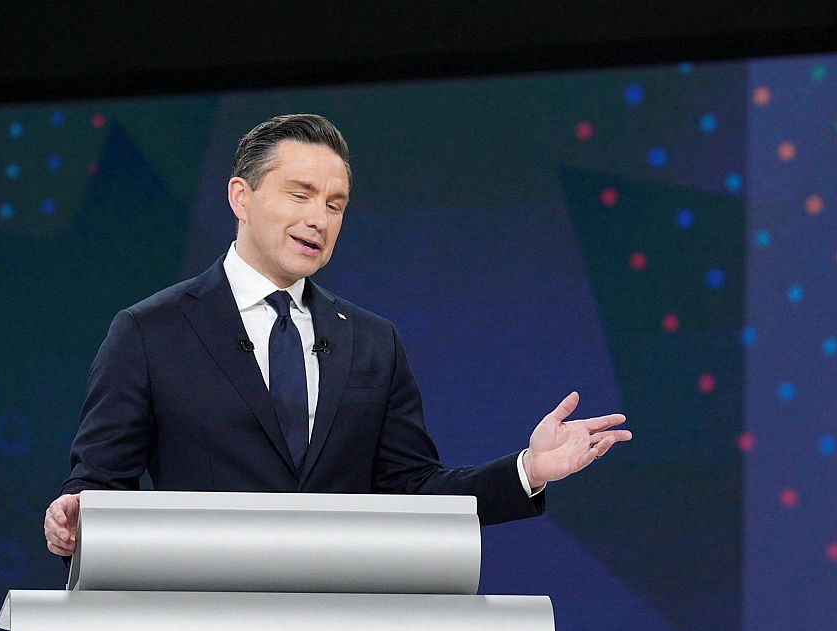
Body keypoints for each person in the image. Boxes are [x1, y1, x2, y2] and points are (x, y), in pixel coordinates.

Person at [44, 113, 630, 555]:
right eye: (300, 195)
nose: (319, 219)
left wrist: (528, 469)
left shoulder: (372, 342)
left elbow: (413, 491)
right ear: (240, 198)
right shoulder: (150, 332)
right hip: (205, 628)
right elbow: (99, 487)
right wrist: (74, 517)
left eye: (335, 204)